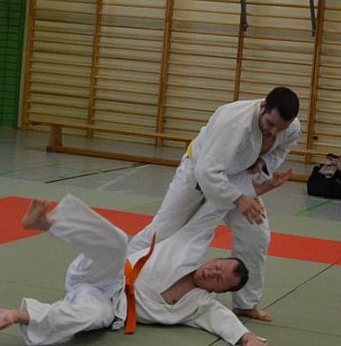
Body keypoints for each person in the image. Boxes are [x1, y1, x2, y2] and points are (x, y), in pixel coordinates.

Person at [0, 195, 279, 346]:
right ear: (214, 259)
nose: (212, 272)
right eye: (217, 266)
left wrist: (249, 339)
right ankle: (46, 222)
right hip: (107, 274)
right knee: (119, 242)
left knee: (91, 318)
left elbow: (224, 321)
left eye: (218, 279)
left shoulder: (201, 306)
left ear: (219, 291)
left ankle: (18, 315)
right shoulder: (186, 248)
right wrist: (249, 190)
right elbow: (210, 212)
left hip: (106, 304)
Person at [126, 87, 301, 323]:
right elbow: (207, 171)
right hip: (198, 172)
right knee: (165, 229)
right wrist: (239, 199)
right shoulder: (233, 122)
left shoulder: (291, 127)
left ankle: (246, 304)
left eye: (280, 128)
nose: (274, 131)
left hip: (239, 176)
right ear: (262, 107)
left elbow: (281, 149)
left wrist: (262, 162)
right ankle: (120, 275)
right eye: (270, 124)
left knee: (256, 236)